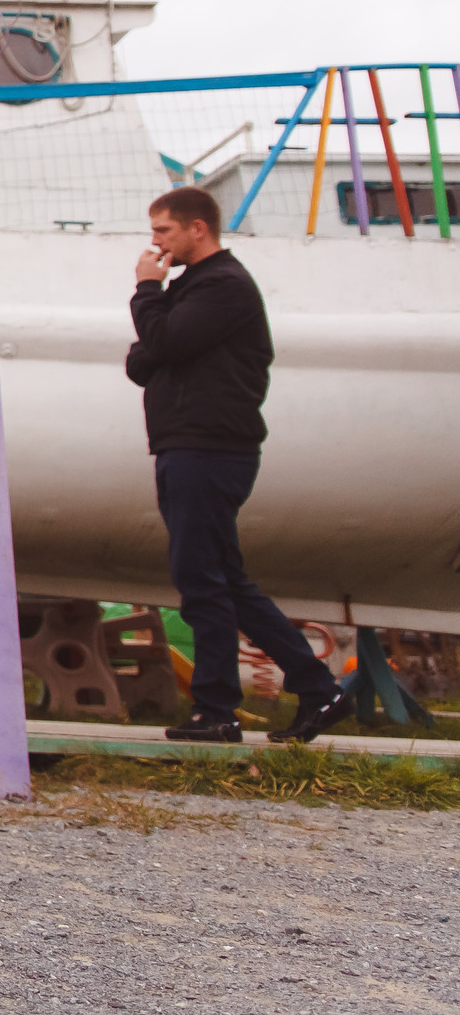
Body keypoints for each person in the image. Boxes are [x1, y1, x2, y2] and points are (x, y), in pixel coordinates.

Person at [126, 185, 349, 745]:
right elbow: (141, 360)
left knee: (201, 579)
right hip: (190, 445)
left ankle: (216, 710)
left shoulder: (224, 286)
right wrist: (160, 320)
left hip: (207, 448)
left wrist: (147, 290)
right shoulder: (193, 289)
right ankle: (318, 689)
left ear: (197, 228)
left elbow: (160, 343)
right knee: (225, 580)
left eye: (164, 231)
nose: (155, 243)